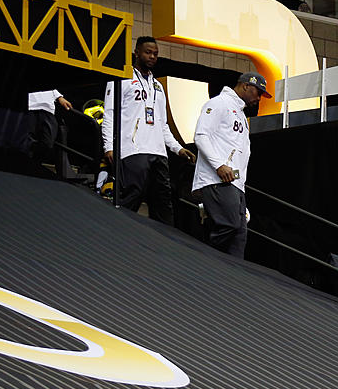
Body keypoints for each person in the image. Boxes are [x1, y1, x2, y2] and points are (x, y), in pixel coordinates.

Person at [101, 36, 195, 224]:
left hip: (158, 152)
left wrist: (178, 148)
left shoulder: (158, 86)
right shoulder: (120, 80)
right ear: (136, 52)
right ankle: (117, 233)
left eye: (155, 54)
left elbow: (162, 124)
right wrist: (108, 146)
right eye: (148, 52)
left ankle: (165, 245)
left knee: (163, 202)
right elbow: (109, 114)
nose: (152, 56)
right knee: (131, 196)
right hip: (133, 150)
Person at [192, 71, 271, 257]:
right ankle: (202, 260)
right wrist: (219, 165)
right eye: (257, 92)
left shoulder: (241, 114)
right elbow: (201, 136)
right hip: (217, 178)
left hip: (235, 183)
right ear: (245, 86)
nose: (259, 98)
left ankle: (232, 280)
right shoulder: (219, 103)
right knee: (229, 225)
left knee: (239, 235)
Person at [26, 89, 72, 162]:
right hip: (31, 106)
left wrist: (59, 97)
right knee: (28, 139)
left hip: (47, 109)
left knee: (47, 143)